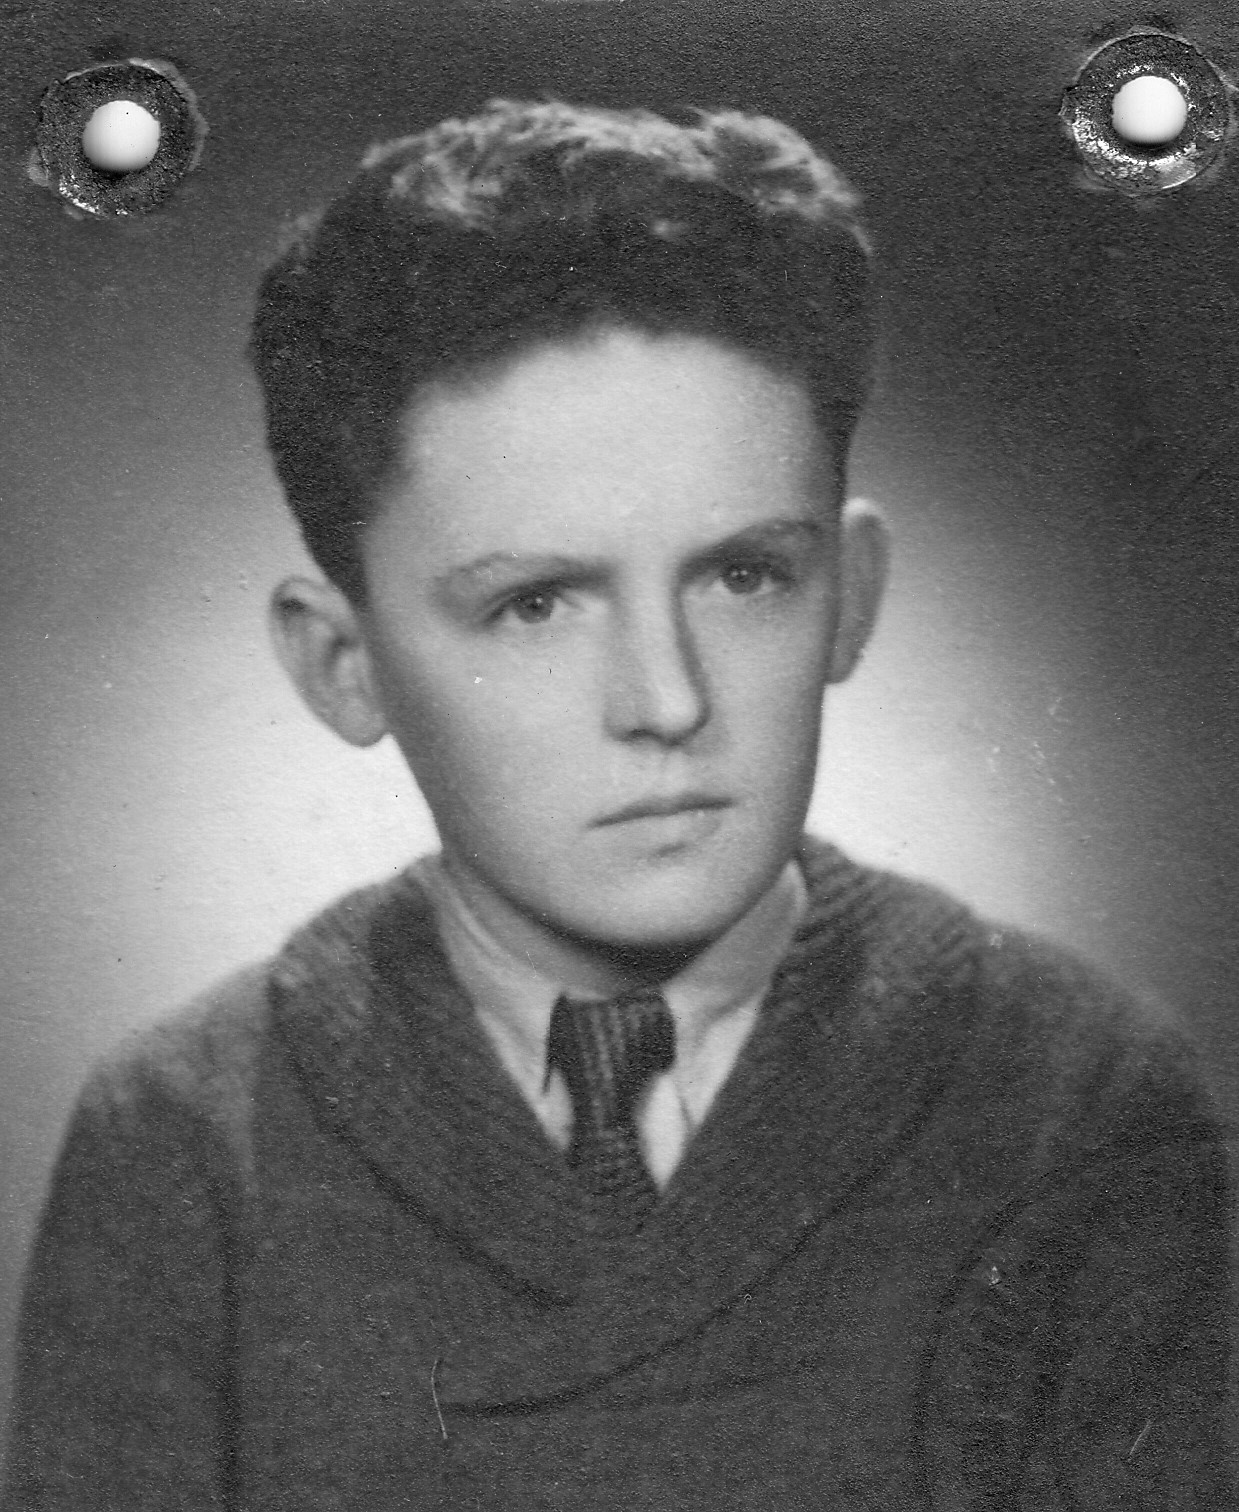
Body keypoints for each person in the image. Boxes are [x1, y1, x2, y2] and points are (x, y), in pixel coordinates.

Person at [2, 98, 1231, 1510]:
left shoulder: (1078, 1097)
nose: (666, 699)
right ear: (343, 665)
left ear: (851, 598)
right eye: (535, 605)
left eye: (745, 577)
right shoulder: (184, 1141)